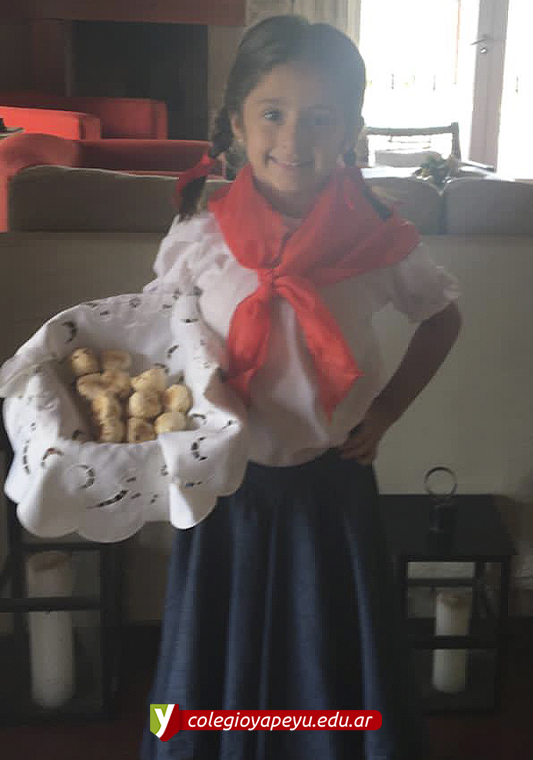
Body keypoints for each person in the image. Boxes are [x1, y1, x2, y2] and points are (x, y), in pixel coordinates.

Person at [141, 14, 461, 760]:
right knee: (211, 664)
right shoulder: (199, 234)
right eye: (273, 113)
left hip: (329, 493)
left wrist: (386, 412)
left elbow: (441, 319)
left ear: (349, 129)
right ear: (235, 123)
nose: (294, 138)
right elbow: (160, 338)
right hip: (223, 494)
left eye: (320, 118)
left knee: (328, 663)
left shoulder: (379, 236)